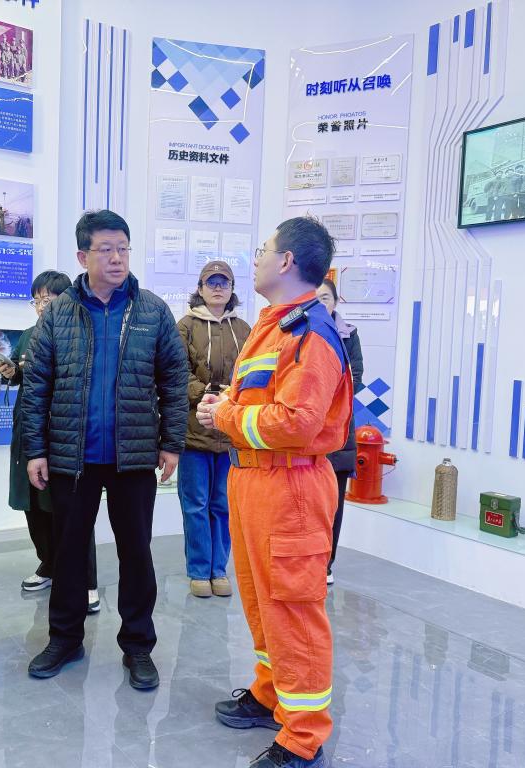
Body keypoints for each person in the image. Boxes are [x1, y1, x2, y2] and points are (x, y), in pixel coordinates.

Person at [198, 217, 353, 768]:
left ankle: (303, 736)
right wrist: (227, 407)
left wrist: (225, 416)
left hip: (290, 488)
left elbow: (297, 423)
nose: (257, 258)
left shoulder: (311, 332)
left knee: (293, 609)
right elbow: (260, 403)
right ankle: (271, 695)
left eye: (264, 249)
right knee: (262, 601)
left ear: (286, 261)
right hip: (255, 481)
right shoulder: (276, 325)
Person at [22, 209, 188, 690]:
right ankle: (64, 638)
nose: (117, 258)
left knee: (136, 552)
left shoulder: (152, 311)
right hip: (71, 456)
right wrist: (35, 450)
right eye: (106, 249)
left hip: (133, 455)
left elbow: (174, 380)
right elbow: (37, 386)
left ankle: (138, 645)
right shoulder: (59, 313)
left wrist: (171, 443)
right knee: (69, 552)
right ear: (83, 256)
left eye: (123, 249)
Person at [0, 271, 100, 610]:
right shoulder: (29, 334)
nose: (42, 306)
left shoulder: (80, 333)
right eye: (37, 300)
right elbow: (29, 375)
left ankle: (85, 580)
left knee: (71, 509)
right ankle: (50, 564)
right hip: (30, 427)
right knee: (34, 504)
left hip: (65, 433)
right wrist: (14, 372)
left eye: (49, 299)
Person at [176, 261, 250, 599]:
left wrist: (230, 399)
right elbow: (176, 372)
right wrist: (204, 393)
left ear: (232, 289)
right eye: (211, 282)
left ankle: (219, 569)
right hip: (194, 432)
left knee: (223, 504)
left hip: (231, 433)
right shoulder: (185, 326)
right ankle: (198, 570)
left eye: (224, 282)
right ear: (200, 288)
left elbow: (252, 375)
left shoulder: (245, 329)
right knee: (195, 505)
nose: (218, 288)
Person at [314, 279, 363, 586]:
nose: (320, 304)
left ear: (335, 302)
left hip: (339, 430)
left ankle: (326, 564)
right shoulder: (300, 329)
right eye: (315, 298)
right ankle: (308, 561)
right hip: (306, 432)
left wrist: (319, 398)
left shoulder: (349, 335)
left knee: (334, 502)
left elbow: (355, 377)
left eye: (326, 298)